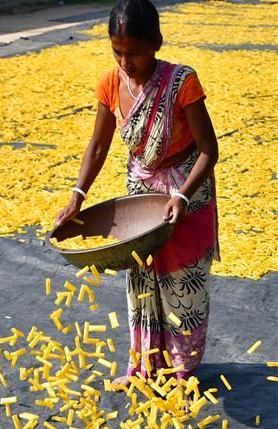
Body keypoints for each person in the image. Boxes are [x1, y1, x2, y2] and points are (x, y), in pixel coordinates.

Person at [56, 0, 219, 383]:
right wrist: (78, 194)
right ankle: (145, 368)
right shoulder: (111, 83)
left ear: (157, 43)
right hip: (141, 192)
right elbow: (98, 146)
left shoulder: (182, 82)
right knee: (141, 280)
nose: (126, 62)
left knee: (182, 286)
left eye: (135, 52)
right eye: (118, 52)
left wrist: (180, 195)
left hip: (186, 194)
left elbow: (209, 150)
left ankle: (182, 374)